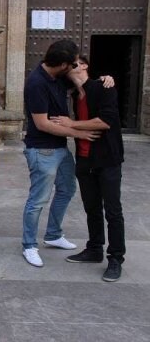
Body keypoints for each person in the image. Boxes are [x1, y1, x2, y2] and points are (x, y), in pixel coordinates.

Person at [21, 39, 101, 268]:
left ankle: (53, 234)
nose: (76, 66)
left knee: (67, 189)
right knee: (38, 200)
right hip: (42, 149)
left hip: (60, 148)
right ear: (63, 64)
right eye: (73, 63)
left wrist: (104, 79)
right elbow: (43, 124)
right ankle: (29, 245)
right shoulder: (36, 83)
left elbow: (83, 82)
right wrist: (79, 133)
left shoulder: (59, 77)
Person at [52, 55, 125, 282]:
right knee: (91, 207)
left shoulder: (103, 87)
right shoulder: (74, 95)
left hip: (108, 159)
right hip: (85, 159)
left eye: (74, 63)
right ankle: (94, 249)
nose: (69, 67)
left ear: (84, 66)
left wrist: (71, 124)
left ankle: (115, 259)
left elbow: (105, 121)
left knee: (112, 210)